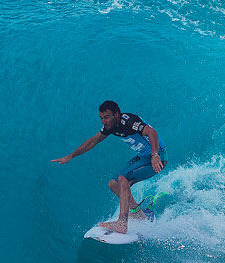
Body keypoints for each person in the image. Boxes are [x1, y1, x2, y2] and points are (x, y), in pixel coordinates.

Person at [52, 100, 167, 234]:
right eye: (101, 118)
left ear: (116, 115)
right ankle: (138, 214)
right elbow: (94, 140)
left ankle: (122, 223)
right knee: (113, 184)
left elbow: (152, 132)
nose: (103, 121)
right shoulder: (110, 127)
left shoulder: (129, 122)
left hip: (157, 157)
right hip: (143, 157)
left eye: (106, 117)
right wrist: (71, 156)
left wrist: (154, 155)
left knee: (122, 179)